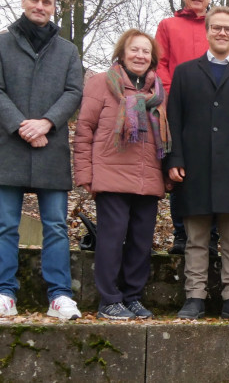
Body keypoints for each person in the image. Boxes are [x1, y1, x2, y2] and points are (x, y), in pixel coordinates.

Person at [0, 0, 83, 319]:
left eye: (47, 1)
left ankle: (60, 295)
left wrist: (47, 123)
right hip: (9, 147)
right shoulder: (0, 44)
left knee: (55, 225)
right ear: (24, 2)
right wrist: (23, 125)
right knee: (6, 224)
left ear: (55, 7)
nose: (40, 6)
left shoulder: (67, 51)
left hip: (50, 149)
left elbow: (73, 92)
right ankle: (4, 293)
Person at [168, 6, 229, 320]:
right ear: (207, 31)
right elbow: (174, 120)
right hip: (194, 168)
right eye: (217, 28)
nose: (223, 33)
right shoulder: (184, 72)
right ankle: (195, 297)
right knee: (196, 238)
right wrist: (175, 159)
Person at [74, 29, 170, 320]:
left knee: (141, 243)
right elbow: (84, 131)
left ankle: (132, 297)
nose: (140, 56)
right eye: (134, 50)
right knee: (111, 240)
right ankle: (109, 300)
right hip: (111, 175)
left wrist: (165, 175)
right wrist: (84, 173)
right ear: (122, 53)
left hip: (148, 176)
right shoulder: (100, 83)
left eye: (146, 51)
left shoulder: (158, 91)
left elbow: (165, 135)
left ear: (152, 57)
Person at [155, 0, 229, 255]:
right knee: (181, 168)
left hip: (215, 110)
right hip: (178, 104)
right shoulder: (168, 25)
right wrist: (167, 94)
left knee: (212, 169)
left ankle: (211, 235)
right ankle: (180, 232)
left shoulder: (218, 26)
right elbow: (160, 62)